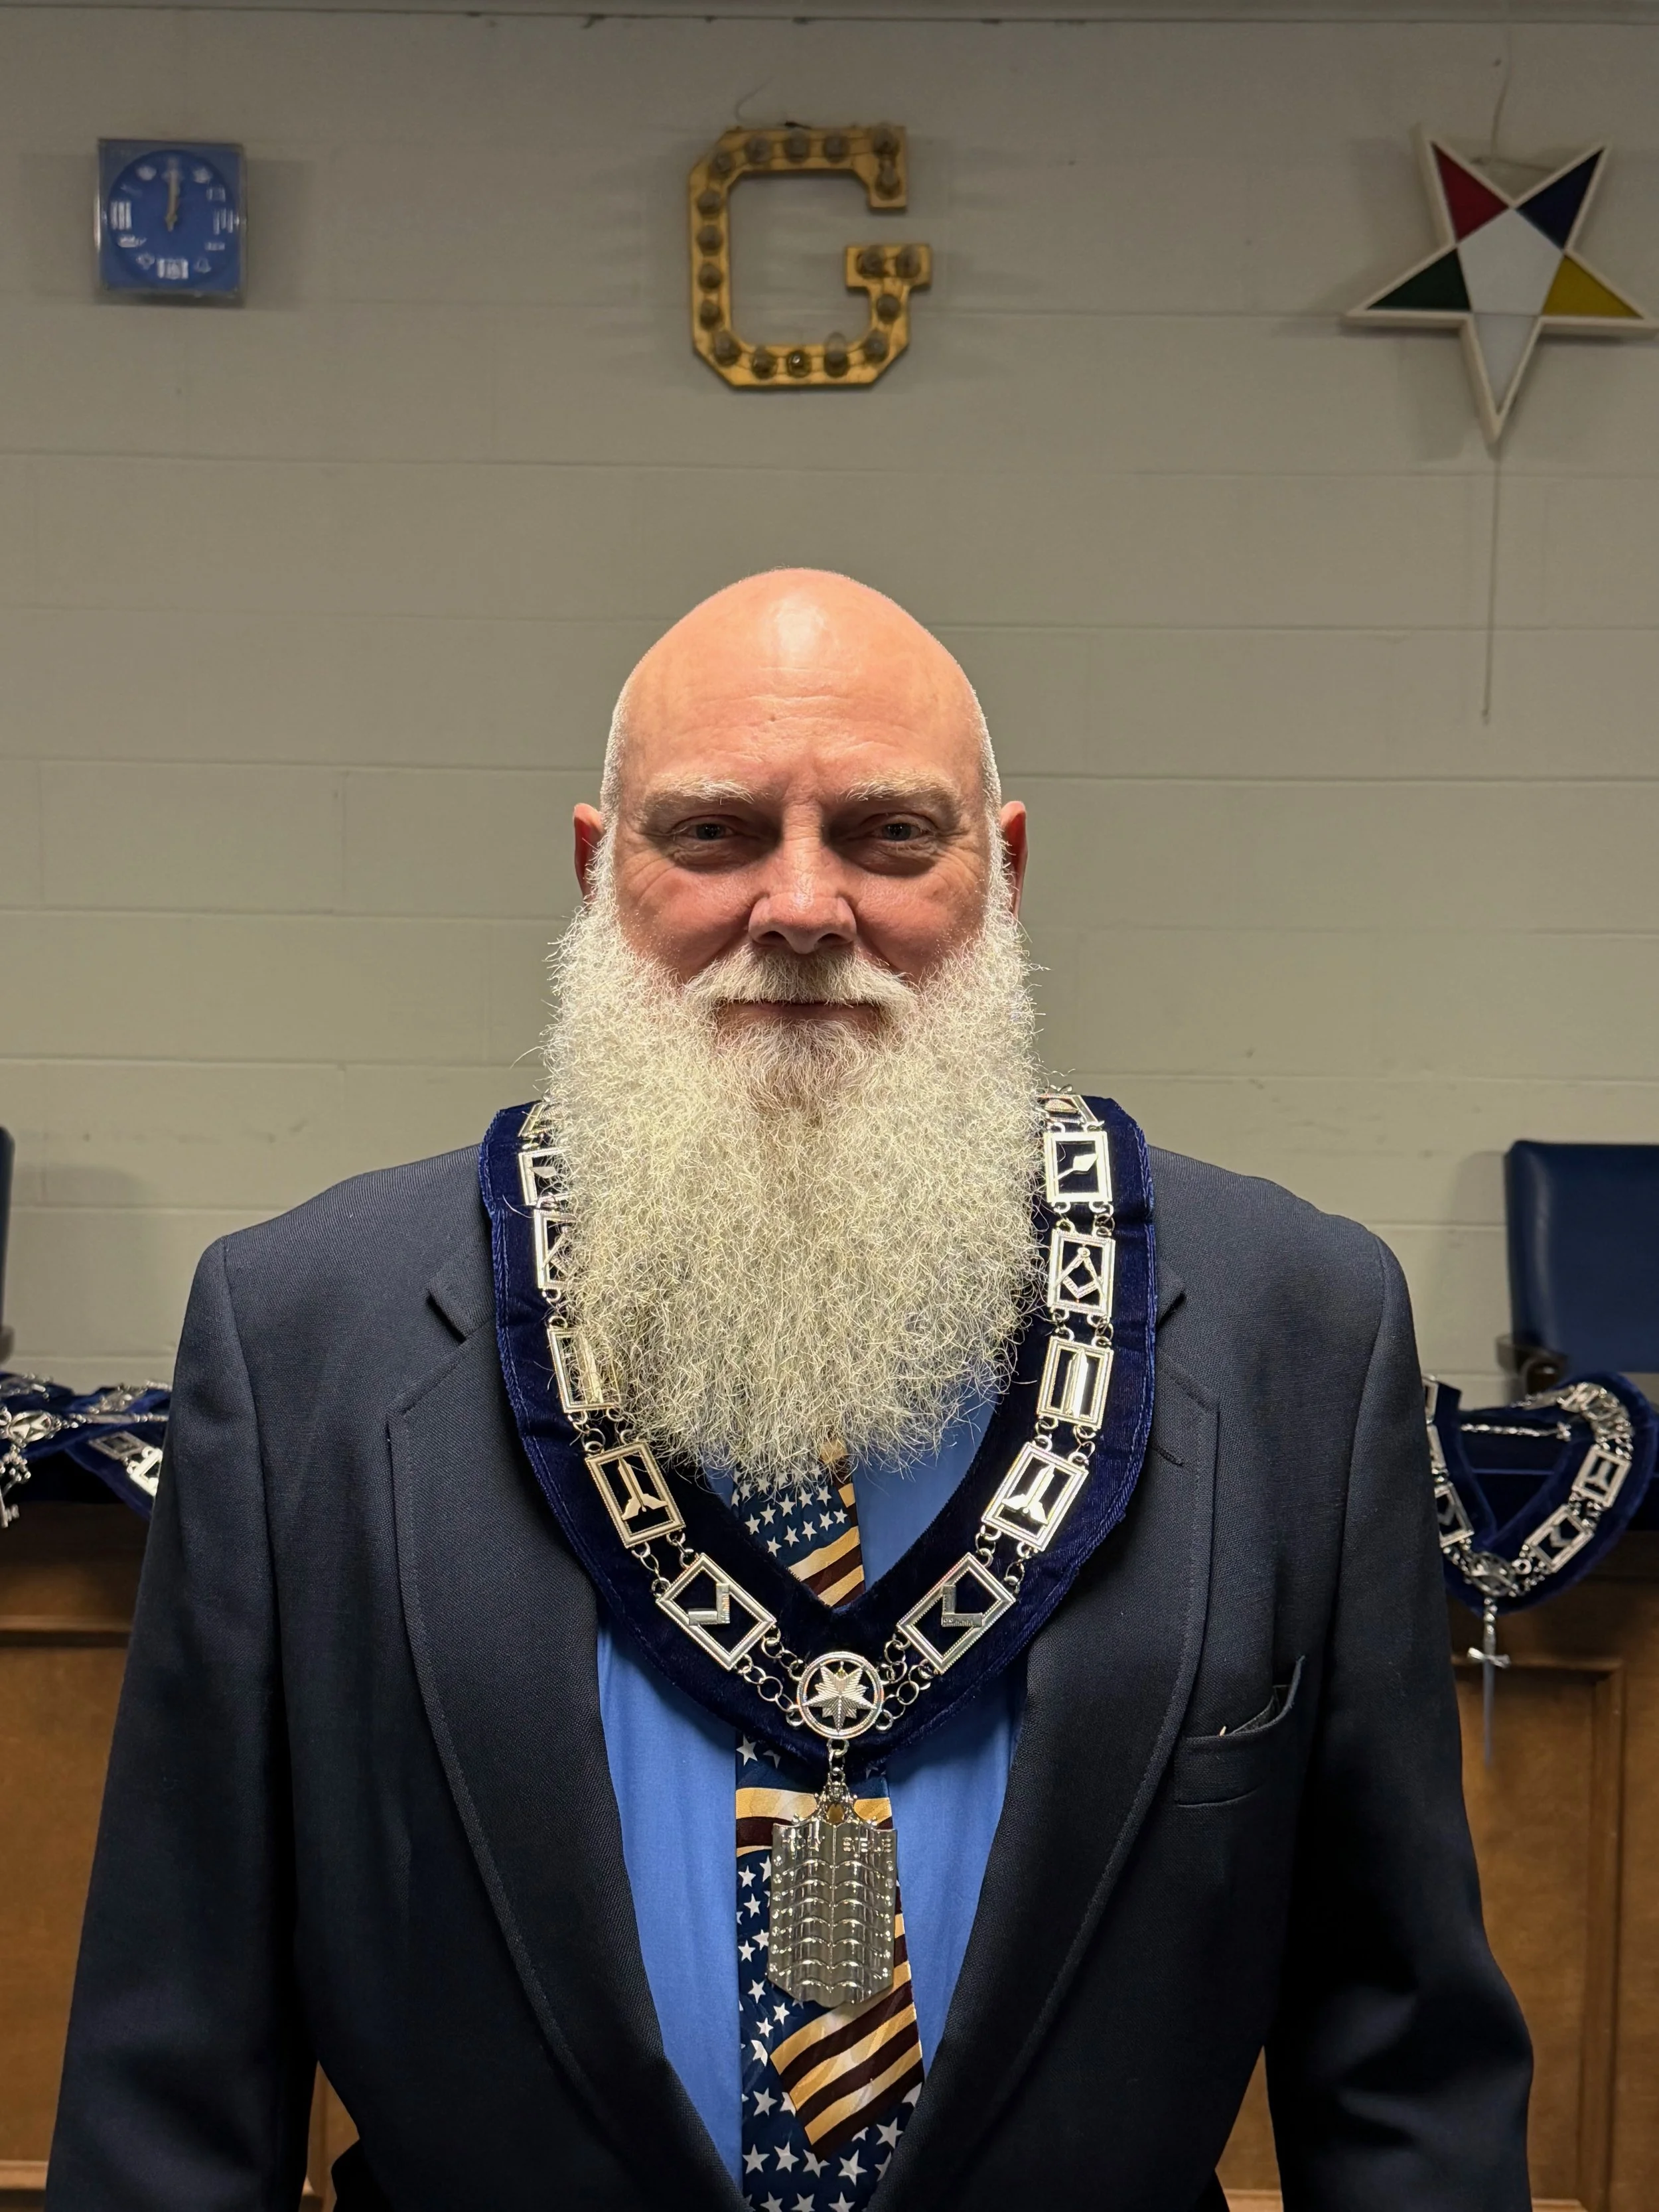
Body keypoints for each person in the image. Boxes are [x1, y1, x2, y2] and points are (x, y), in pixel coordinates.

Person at [47, 571, 1532, 2212]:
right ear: (598, 869)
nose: (804, 905)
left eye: (892, 834)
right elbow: (176, 2069)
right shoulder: (302, 1335)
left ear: (1006, 871)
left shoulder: (1295, 1331)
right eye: (713, 833)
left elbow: (1397, 2064)